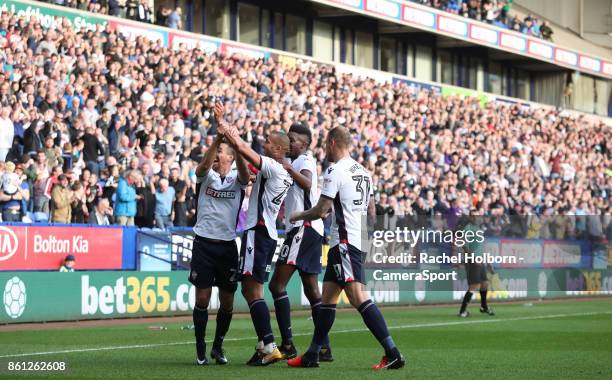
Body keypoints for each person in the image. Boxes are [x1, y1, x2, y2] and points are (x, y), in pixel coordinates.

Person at [288, 127, 405, 370]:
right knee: (328, 299)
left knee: (357, 296)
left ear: (332, 142)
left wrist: (299, 215)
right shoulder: (363, 172)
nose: (324, 151)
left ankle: (392, 352)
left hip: (344, 241)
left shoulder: (335, 170)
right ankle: (312, 354)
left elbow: (321, 210)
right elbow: (371, 211)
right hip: (357, 238)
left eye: (325, 145)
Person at [219, 118, 293, 366]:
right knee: (251, 289)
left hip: (257, 231)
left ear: (280, 149)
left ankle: (269, 345)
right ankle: (265, 344)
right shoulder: (281, 173)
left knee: (252, 290)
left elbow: (241, 148)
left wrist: (225, 127)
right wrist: (235, 145)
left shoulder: (273, 166)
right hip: (267, 234)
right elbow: (244, 160)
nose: (265, 144)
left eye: (270, 143)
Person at [189, 103, 250, 365]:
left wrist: (236, 146)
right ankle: (200, 347)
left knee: (227, 303)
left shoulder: (237, 177)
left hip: (227, 246)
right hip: (203, 243)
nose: (216, 158)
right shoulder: (206, 177)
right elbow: (201, 166)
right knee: (202, 298)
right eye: (216, 154)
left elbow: (247, 178)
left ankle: (218, 346)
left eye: (221, 154)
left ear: (231, 158)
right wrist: (218, 139)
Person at [268, 123, 332, 361]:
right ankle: (323, 347)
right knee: (313, 291)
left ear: (303, 144)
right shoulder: (299, 160)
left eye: (292, 139)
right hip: (311, 230)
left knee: (276, 286)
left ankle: (287, 344)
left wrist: (286, 166)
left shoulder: (303, 160)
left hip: (302, 229)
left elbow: (305, 183)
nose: (289, 142)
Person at [457, 215, 495, 317]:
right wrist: (472, 258)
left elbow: (482, 247)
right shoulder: (468, 228)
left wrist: (488, 263)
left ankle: (484, 307)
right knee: (474, 285)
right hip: (472, 260)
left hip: (480, 260)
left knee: (485, 283)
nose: (479, 218)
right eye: (475, 216)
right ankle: (462, 311)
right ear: (472, 218)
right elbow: (463, 244)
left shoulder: (479, 229)